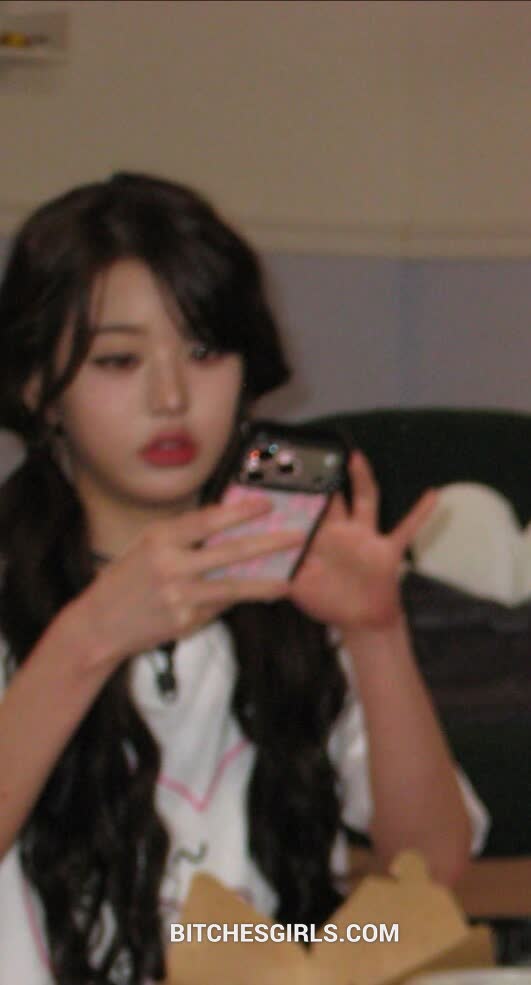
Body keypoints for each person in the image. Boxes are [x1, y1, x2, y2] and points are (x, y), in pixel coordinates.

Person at [0, 173, 487, 985]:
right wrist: (89, 638)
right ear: (37, 390)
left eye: (204, 351)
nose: (170, 396)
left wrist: (374, 633)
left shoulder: (287, 585)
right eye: (118, 359)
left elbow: (432, 866)